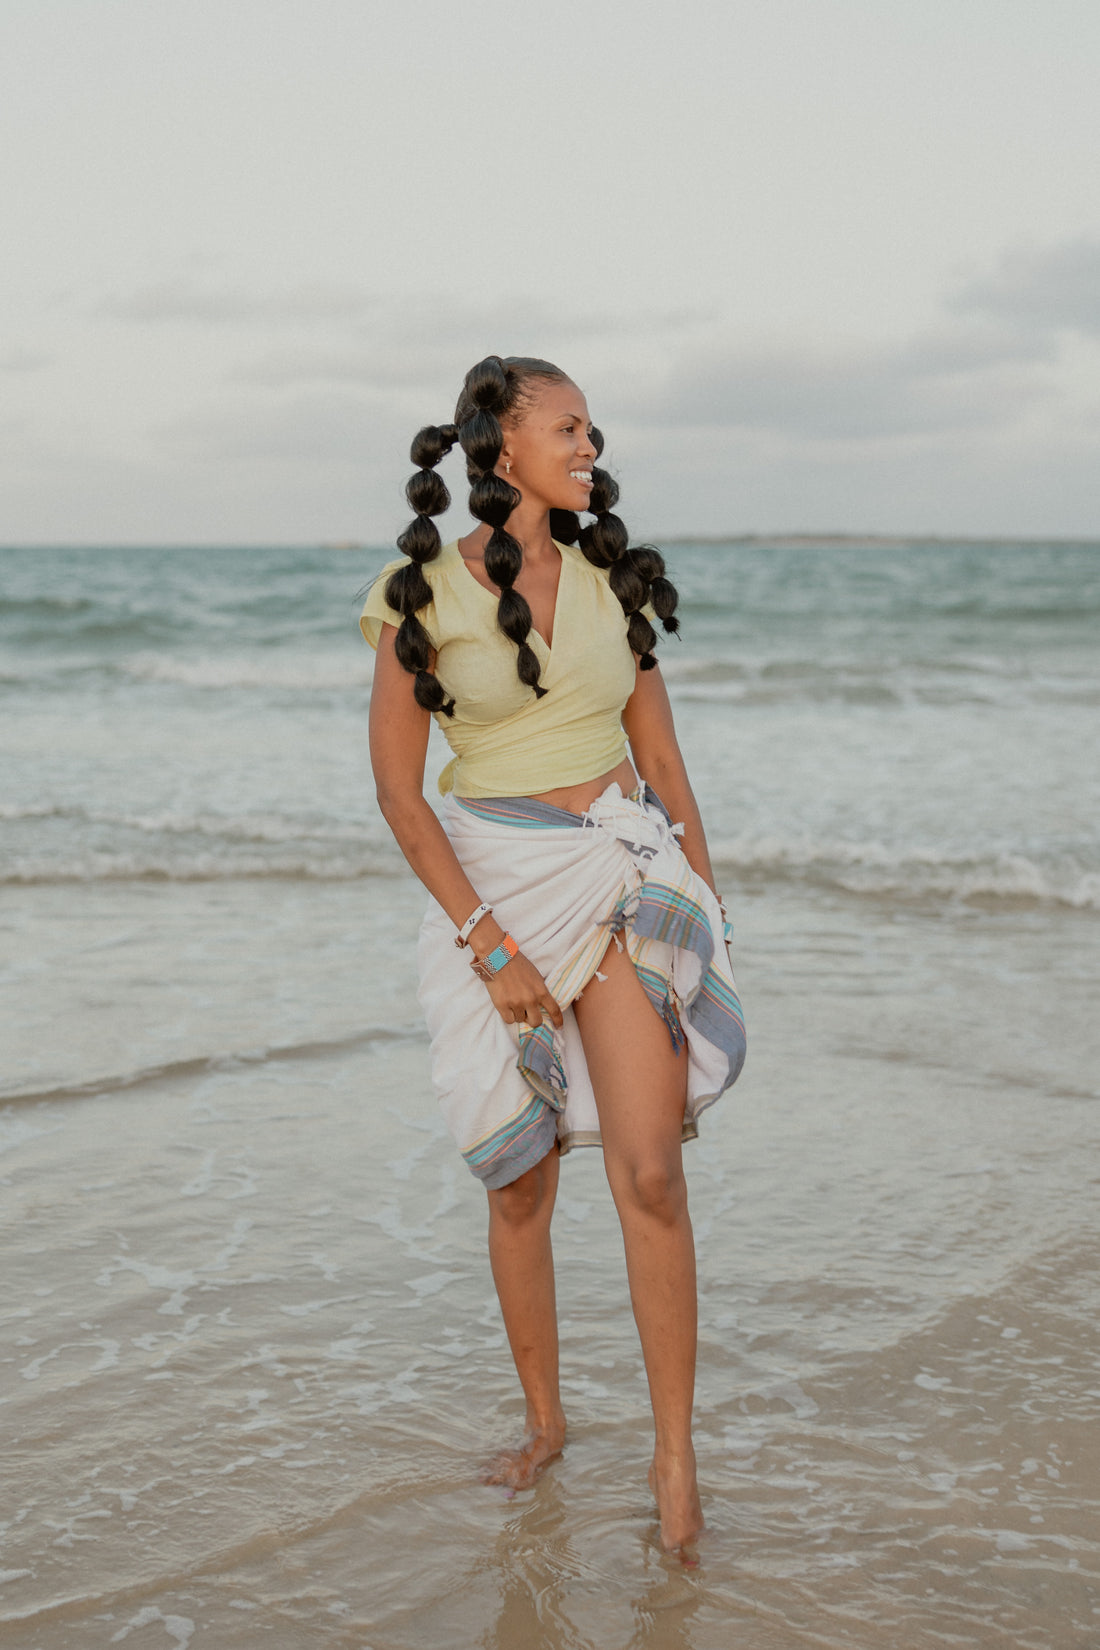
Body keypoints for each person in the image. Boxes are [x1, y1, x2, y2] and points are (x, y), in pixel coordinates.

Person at [361, 355, 745, 1551]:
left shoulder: (611, 581)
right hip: (494, 891)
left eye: (590, 429)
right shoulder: (416, 593)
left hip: (619, 876)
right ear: (500, 446)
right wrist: (488, 946)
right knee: (521, 1182)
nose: (591, 445)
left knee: (648, 1174)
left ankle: (674, 1463)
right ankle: (544, 1422)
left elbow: (667, 768)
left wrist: (704, 909)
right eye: (566, 427)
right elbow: (400, 794)